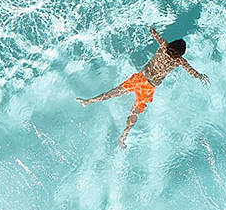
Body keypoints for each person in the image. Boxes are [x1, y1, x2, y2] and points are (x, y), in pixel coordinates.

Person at [79, 27, 207, 148]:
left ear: (172, 44)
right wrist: (201, 76)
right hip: (149, 88)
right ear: (181, 53)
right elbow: (191, 71)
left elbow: (153, 32)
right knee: (134, 111)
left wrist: (150, 25)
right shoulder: (179, 60)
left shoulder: (164, 45)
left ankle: (88, 101)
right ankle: (123, 136)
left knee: (113, 93)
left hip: (140, 79)